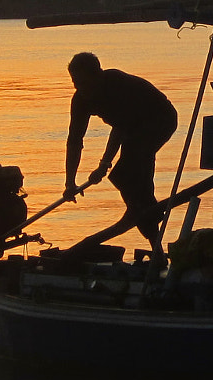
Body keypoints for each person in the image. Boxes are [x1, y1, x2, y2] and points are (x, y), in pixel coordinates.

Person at [62, 52, 178, 256]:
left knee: (126, 173)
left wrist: (104, 164)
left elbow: (121, 130)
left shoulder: (116, 85)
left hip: (160, 118)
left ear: (98, 75)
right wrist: (70, 183)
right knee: (130, 181)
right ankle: (144, 218)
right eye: (75, 82)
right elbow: (74, 141)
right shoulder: (80, 99)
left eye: (83, 82)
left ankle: (142, 213)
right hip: (133, 129)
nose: (79, 88)